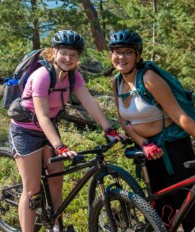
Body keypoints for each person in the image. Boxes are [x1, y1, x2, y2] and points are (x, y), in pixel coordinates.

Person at [109, 29, 195, 231]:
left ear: (137, 55)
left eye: (127, 52)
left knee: (188, 210)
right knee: (159, 213)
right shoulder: (117, 82)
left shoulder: (149, 78)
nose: (121, 57)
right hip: (148, 153)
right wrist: (144, 143)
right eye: (117, 51)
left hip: (174, 149)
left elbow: (178, 115)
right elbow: (125, 121)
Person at [8, 30, 126, 232]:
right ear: (53, 52)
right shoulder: (42, 76)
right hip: (26, 130)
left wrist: (109, 129)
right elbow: (42, 115)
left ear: (78, 58)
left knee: (56, 180)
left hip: (49, 128)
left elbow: (89, 102)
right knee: (32, 189)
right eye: (64, 53)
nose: (68, 59)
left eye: (73, 55)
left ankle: (56, 226)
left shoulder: (74, 77)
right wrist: (60, 146)